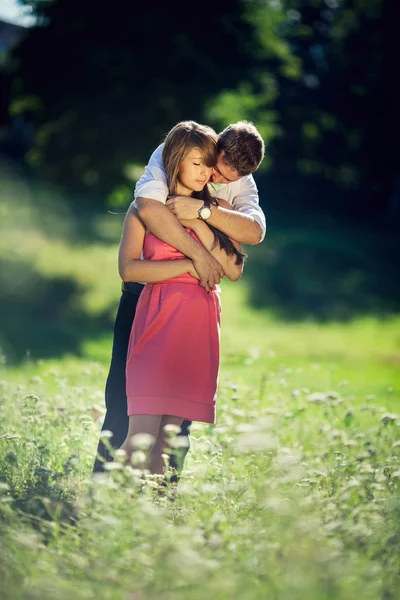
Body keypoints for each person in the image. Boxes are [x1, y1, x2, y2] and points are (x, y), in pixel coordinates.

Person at [92, 120, 266, 475]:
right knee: (123, 407)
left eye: (225, 177)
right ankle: (101, 495)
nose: (214, 179)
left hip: (193, 315)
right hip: (146, 303)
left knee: (176, 429)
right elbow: (140, 235)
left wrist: (204, 215)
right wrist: (195, 259)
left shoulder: (231, 188)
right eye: (209, 167)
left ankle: (163, 502)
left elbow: (250, 239)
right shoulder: (163, 168)